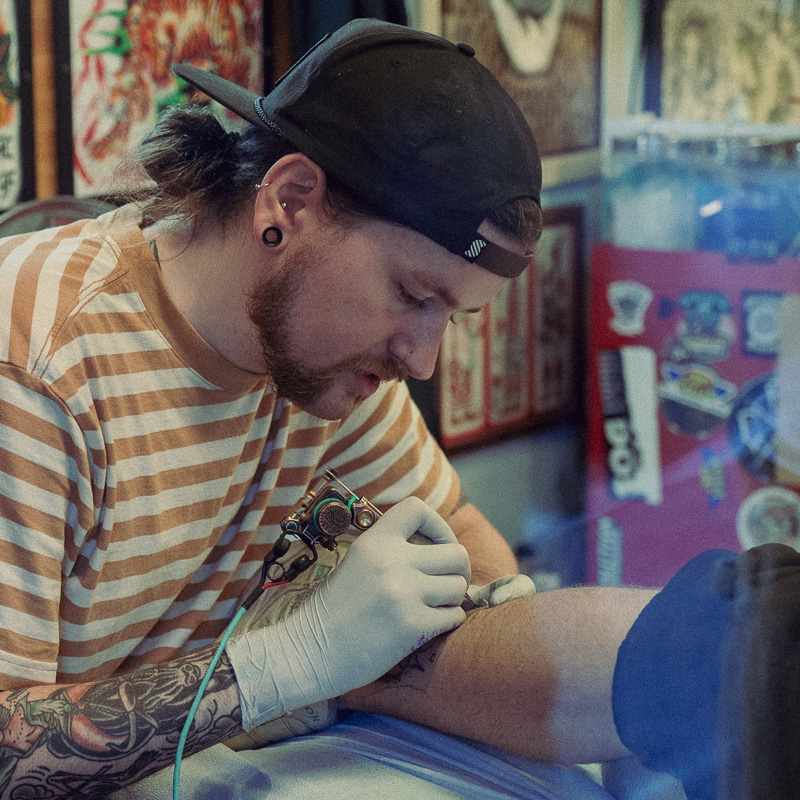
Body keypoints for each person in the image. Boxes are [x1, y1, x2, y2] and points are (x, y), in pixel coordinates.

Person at [0, 17, 667, 800]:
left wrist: (526, 648)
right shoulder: (36, 364)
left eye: (452, 317)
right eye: (413, 295)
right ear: (290, 201)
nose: (422, 359)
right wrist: (288, 663)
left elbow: (454, 528)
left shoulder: (317, 359)